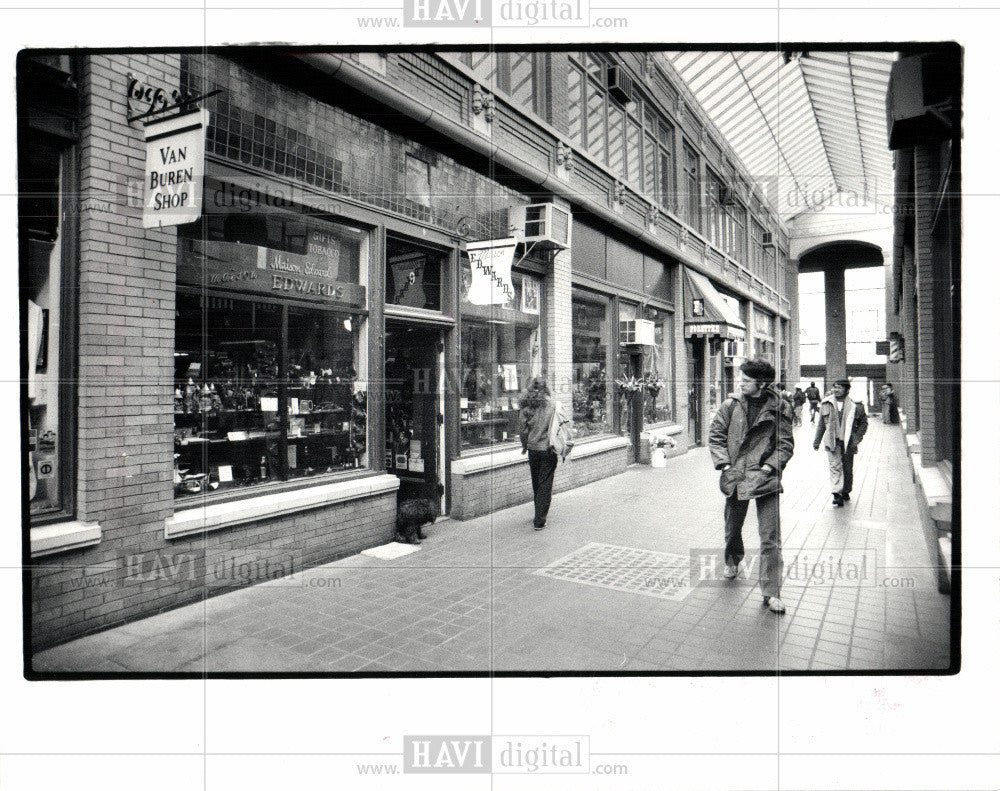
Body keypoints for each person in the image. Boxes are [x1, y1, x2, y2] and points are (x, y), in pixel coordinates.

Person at [708, 358, 795, 614]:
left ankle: (772, 592)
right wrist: (725, 465)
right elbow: (716, 436)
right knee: (733, 527)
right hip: (736, 476)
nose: (741, 383)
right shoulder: (730, 405)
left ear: (761, 383)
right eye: (741, 379)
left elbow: (785, 444)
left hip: (766, 478)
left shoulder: (781, 408)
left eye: (746, 380)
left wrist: (769, 467)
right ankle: (733, 561)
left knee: (770, 537)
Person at [814, 378, 869, 507]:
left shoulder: (856, 405)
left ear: (847, 390)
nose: (835, 390)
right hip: (832, 441)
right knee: (835, 467)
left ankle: (846, 490)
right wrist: (817, 441)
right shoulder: (826, 403)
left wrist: (857, 438)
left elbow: (864, 423)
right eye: (834, 387)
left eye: (839, 387)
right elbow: (821, 424)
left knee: (847, 468)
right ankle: (836, 494)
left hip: (849, 442)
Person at [519, 377, 557, 530]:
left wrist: (524, 446)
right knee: (545, 483)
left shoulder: (527, 406)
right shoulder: (553, 405)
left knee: (536, 482)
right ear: (545, 387)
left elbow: (522, 429)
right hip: (548, 449)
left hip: (533, 449)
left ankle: (538, 513)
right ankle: (539, 520)